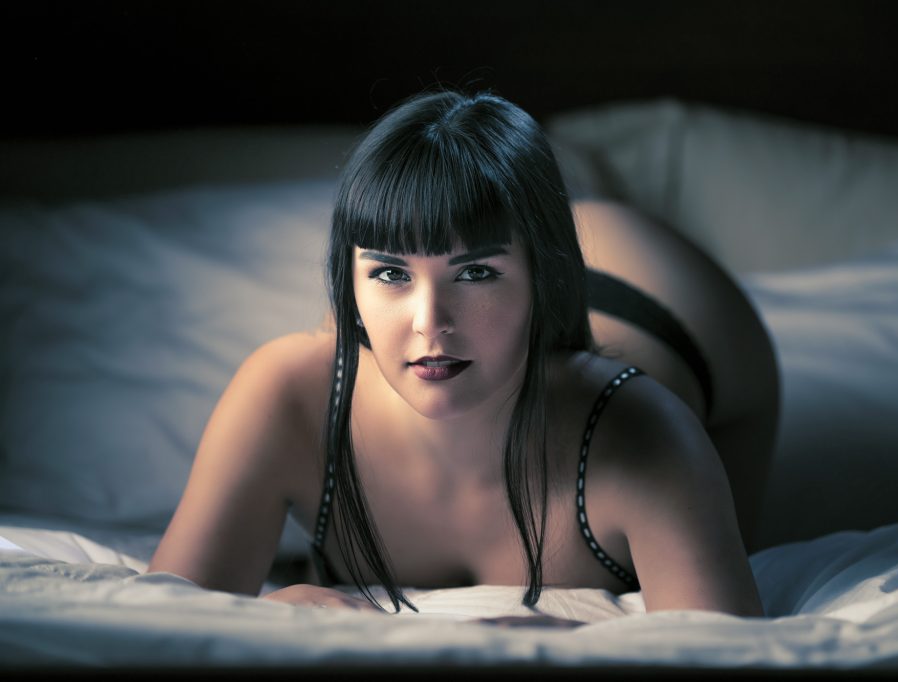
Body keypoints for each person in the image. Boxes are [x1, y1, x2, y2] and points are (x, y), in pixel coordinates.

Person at [147, 89, 777, 620]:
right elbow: (156, 627)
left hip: (677, 307)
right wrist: (277, 611)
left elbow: (723, 650)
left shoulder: (648, 432)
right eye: (389, 274)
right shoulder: (287, 393)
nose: (429, 325)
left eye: (475, 274)